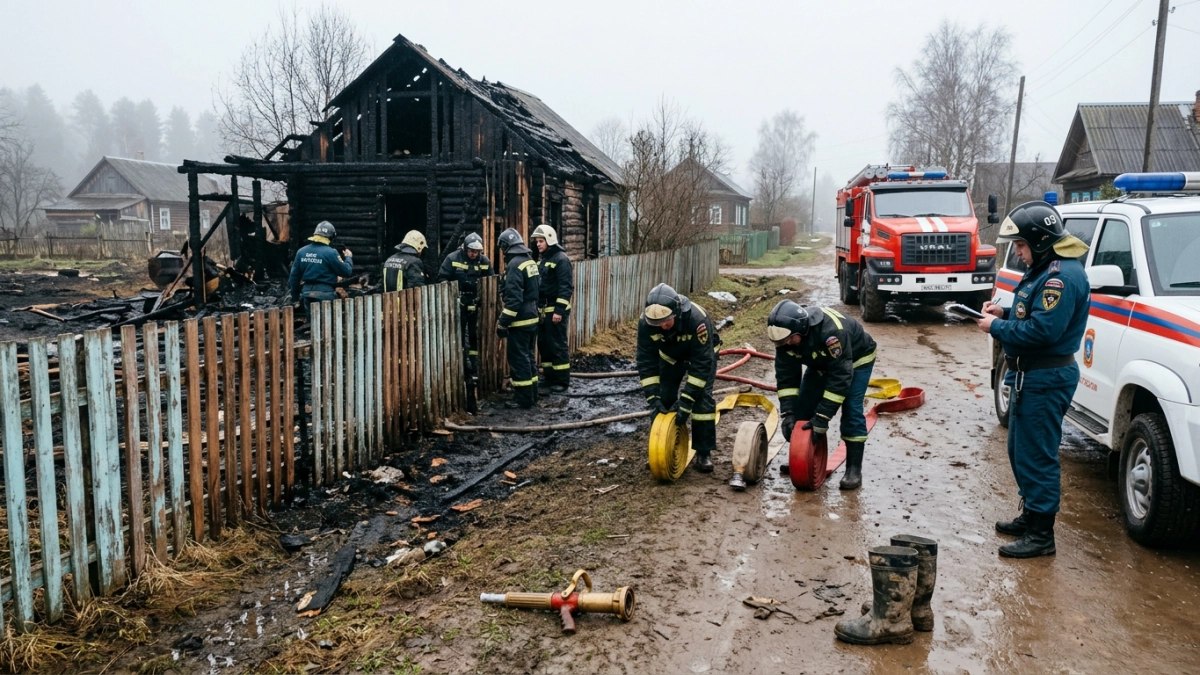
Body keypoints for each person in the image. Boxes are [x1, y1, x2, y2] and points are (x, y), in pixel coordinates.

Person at [976, 200, 1090, 559]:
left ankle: (1042, 535)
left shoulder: (1061, 277)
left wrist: (997, 326)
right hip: (1031, 375)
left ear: (1040, 241)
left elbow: (1044, 330)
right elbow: (1034, 314)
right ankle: (1031, 514)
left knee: (1037, 455)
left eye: (1021, 246)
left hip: (1046, 375)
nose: (1019, 254)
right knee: (1019, 450)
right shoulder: (1045, 268)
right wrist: (1006, 312)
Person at [766, 300, 877, 490]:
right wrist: (788, 413)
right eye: (780, 342)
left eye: (789, 340)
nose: (784, 345)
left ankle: (853, 469)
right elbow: (787, 380)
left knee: (851, 409)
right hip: (822, 363)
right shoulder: (785, 340)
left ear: (801, 330)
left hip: (855, 361)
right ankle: (803, 458)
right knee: (803, 408)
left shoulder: (832, 333)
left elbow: (840, 378)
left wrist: (822, 418)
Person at [637, 283, 721, 472]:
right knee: (664, 398)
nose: (662, 327)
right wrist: (653, 398)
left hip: (702, 356)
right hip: (671, 357)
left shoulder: (697, 319)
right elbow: (646, 361)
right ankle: (661, 449)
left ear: (677, 313)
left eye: (666, 322)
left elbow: (701, 366)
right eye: (657, 324)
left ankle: (704, 452)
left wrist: (686, 402)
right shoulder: (646, 323)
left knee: (702, 400)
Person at [438, 232, 494, 410]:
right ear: (465, 248)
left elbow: (491, 281)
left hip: (477, 305)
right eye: (471, 251)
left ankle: (475, 367)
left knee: (476, 336)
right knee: (459, 334)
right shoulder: (452, 258)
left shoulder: (484, 261)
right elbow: (442, 279)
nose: (474, 254)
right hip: (458, 305)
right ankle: (461, 365)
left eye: (477, 252)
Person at [495, 227, 541, 409]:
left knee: (518, 359)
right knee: (529, 357)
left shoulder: (514, 265)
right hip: (533, 317)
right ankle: (533, 394)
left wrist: (502, 323)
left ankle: (523, 400)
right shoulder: (529, 261)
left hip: (520, 321)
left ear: (505, 246)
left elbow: (513, 301)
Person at [532, 224, 574, 393]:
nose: (538, 244)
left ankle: (562, 381)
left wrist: (559, 311)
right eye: (537, 242)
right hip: (543, 309)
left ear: (549, 240)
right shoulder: (544, 259)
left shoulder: (561, 259)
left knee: (557, 345)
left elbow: (566, 287)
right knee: (544, 346)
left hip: (555, 310)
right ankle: (549, 378)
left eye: (541, 241)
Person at [288, 221, 353, 320]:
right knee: (327, 326)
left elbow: (294, 277)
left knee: (312, 325)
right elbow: (346, 271)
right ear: (331, 237)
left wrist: (295, 297)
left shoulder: (301, 252)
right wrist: (348, 258)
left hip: (307, 293)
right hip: (325, 293)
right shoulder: (331, 253)